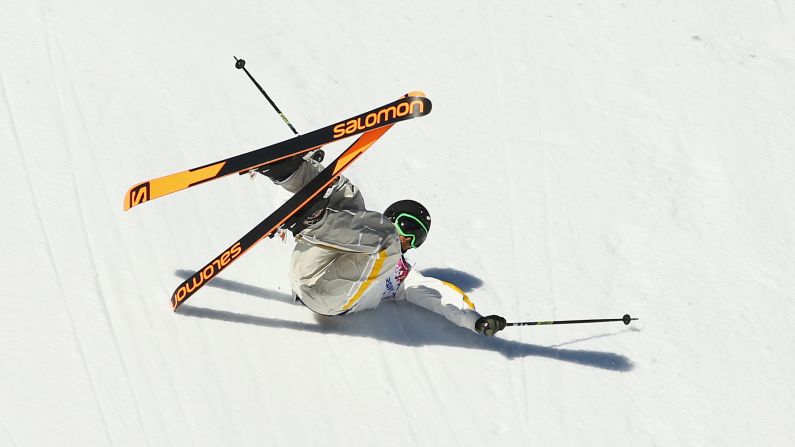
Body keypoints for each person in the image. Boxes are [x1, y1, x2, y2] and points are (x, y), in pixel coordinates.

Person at [257, 154, 507, 336]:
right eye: (407, 227)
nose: (408, 240)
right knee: (349, 196)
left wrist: (475, 320)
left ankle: (311, 220)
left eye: (416, 238)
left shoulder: (404, 278)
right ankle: (289, 170)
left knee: (384, 241)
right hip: (310, 264)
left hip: (327, 297)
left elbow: (441, 298)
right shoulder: (363, 230)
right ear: (392, 217)